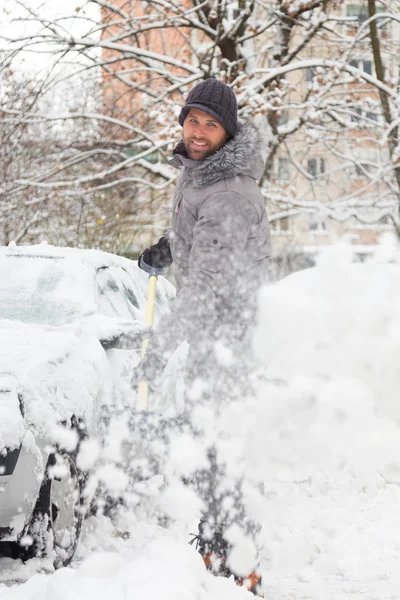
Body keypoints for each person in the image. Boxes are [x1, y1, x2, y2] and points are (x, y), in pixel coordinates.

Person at [135, 78, 273, 596]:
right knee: (209, 453)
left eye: (210, 123)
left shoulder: (231, 192)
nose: (197, 131)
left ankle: (238, 569)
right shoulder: (200, 178)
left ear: (226, 131)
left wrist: (159, 350)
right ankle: (216, 553)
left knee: (218, 456)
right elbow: (195, 236)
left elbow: (206, 287)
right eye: (192, 119)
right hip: (213, 339)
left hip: (226, 341)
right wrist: (168, 248)